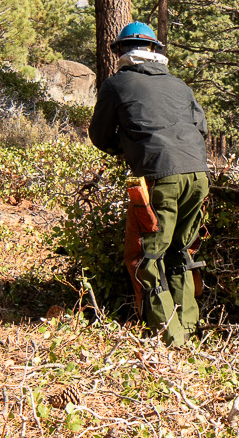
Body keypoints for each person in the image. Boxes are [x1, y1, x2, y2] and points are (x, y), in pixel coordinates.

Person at [88, 22, 211, 347]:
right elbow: (202, 128)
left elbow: (100, 136)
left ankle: (169, 340)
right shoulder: (180, 85)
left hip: (159, 176)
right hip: (199, 175)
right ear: (154, 51)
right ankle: (188, 330)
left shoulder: (116, 84)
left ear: (120, 52)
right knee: (180, 252)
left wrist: (131, 148)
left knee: (147, 256)